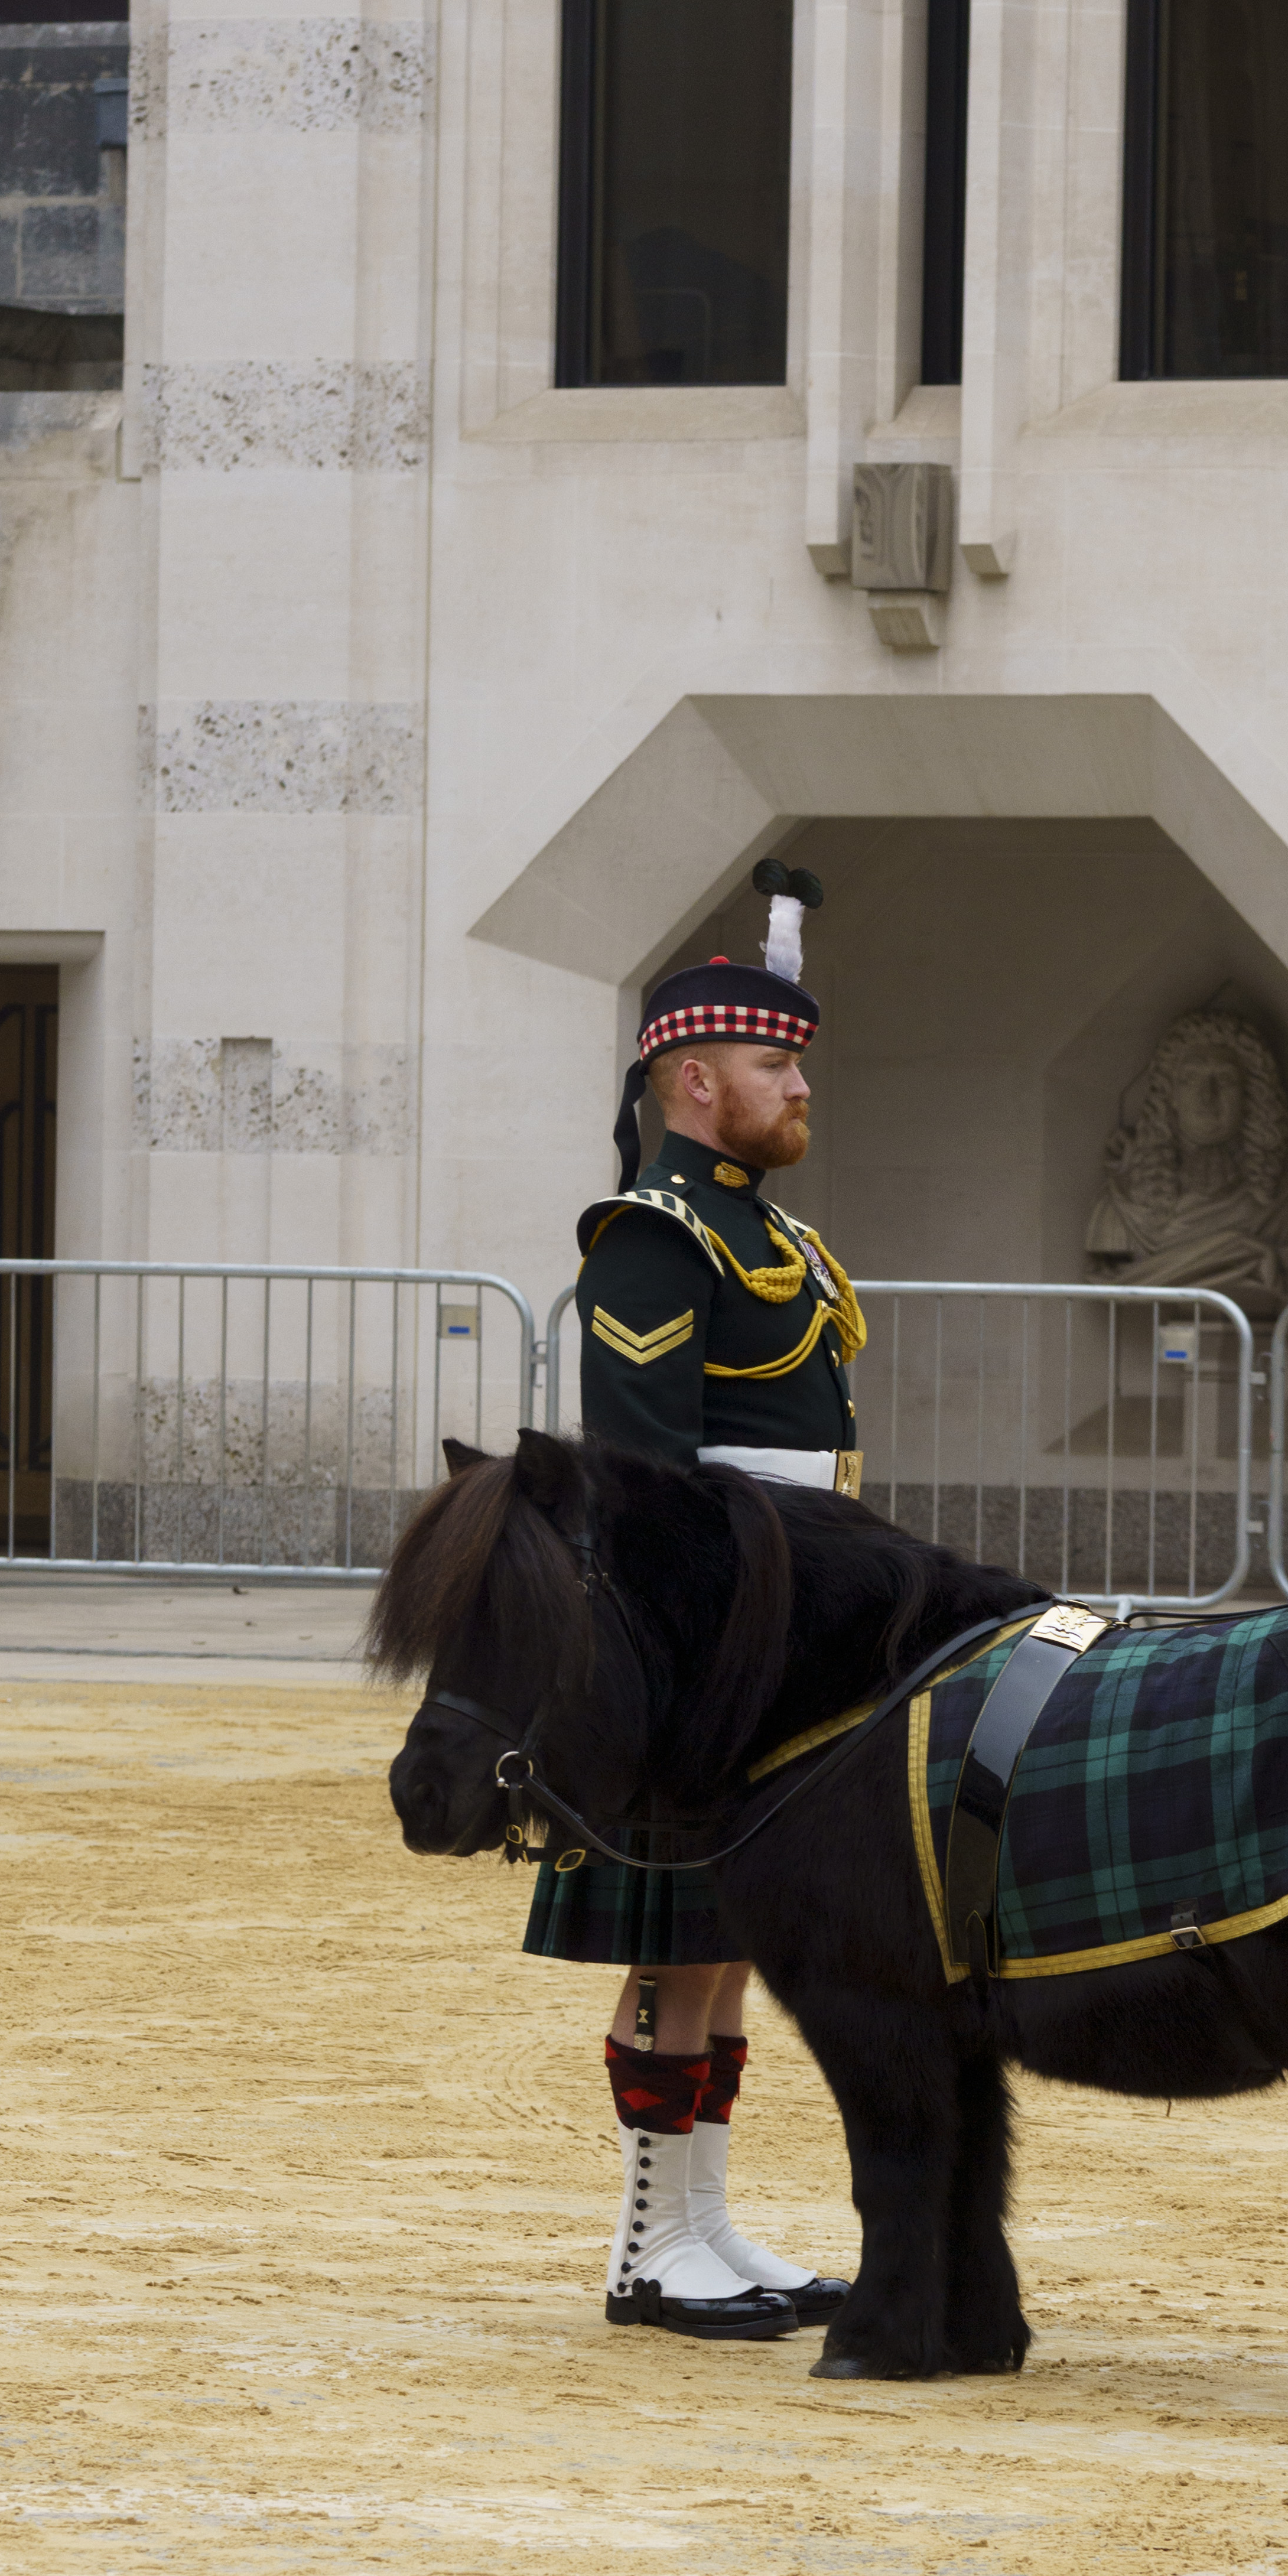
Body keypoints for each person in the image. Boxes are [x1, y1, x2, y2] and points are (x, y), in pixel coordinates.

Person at [528, 862, 869, 2345]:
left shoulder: (769, 1233)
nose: (799, 1087)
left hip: (788, 1616)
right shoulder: (657, 1233)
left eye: (798, 1061)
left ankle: (708, 2227)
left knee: (725, 1946)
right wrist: (696, 1644)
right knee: (678, 1951)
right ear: (691, 1081)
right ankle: (644, 2251)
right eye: (772, 1063)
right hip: (711, 1631)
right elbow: (644, 1468)